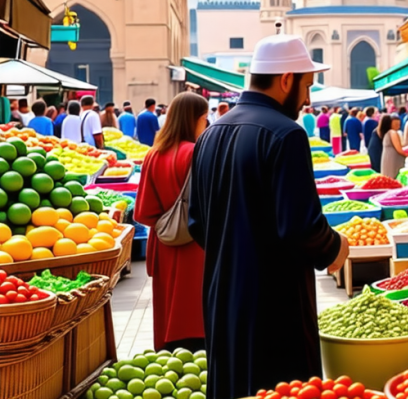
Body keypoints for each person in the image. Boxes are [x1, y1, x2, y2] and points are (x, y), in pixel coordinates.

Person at [188, 34, 349, 398]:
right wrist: (336, 247)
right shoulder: (287, 134)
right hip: (275, 305)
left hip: (222, 295)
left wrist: (236, 248)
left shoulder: (210, 134)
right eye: (306, 86)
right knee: (280, 387)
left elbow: (196, 222)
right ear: (286, 79)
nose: (307, 99)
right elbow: (300, 227)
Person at [134, 92, 209, 351]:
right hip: (197, 246)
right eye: (204, 118)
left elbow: (143, 212)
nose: (206, 124)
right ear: (195, 120)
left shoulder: (153, 155)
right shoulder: (197, 152)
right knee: (196, 314)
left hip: (164, 244)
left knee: (168, 309)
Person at [380, 114, 408, 178]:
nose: (398, 126)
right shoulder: (393, 132)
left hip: (388, 160)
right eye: (396, 124)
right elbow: (399, 149)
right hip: (393, 162)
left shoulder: (387, 133)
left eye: (399, 124)